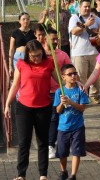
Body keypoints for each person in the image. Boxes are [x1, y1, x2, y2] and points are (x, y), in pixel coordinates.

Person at [4, 40, 60, 180]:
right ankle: (21, 174)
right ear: (27, 55)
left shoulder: (49, 63)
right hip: (24, 108)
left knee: (43, 142)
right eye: (33, 56)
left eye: (39, 55)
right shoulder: (21, 64)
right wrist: (7, 104)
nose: (36, 58)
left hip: (44, 108)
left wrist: (75, 82)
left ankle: (43, 175)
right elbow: (15, 85)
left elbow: (61, 81)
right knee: (24, 142)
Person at [34, 25, 72, 160]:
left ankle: (52, 144)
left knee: (56, 118)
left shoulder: (62, 55)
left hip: (58, 92)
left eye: (56, 39)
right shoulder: (40, 55)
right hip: (43, 92)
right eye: (53, 39)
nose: (55, 41)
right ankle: (47, 143)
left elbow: (70, 69)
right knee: (47, 120)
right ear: (45, 40)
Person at [54, 64, 90, 180]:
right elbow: (58, 111)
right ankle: (63, 170)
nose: (73, 76)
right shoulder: (59, 91)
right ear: (63, 77)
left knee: (76, 152)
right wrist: (61, 103)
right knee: (62, 153)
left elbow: (82, 108)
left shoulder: (80, 90)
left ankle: (73, 175)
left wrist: (70, 103)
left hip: (77, 126)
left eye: (75, 73)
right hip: (63, 127)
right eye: (70, 74)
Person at [68, 0, 100, 104]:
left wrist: (98, 33)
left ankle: (94, 95)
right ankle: (81, 96)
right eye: (84, 6)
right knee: (80, 77)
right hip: (79, 52)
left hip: (94, 51)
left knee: (96, 75)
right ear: (80, 7)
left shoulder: (96, 18)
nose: (87, 8)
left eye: (88, 6)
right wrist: (85, 25)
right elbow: (73, 31)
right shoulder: (74, 18)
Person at [9, 12, 36, 77]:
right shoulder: (15, 32)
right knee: (18, 76)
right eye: (23, 19)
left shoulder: (33, 33)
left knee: (29, 75)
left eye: (27, 19)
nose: (26, 21)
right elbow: (11, 49)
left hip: (30, 56)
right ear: (19, 21)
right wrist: (10, 66)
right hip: (18, 57)